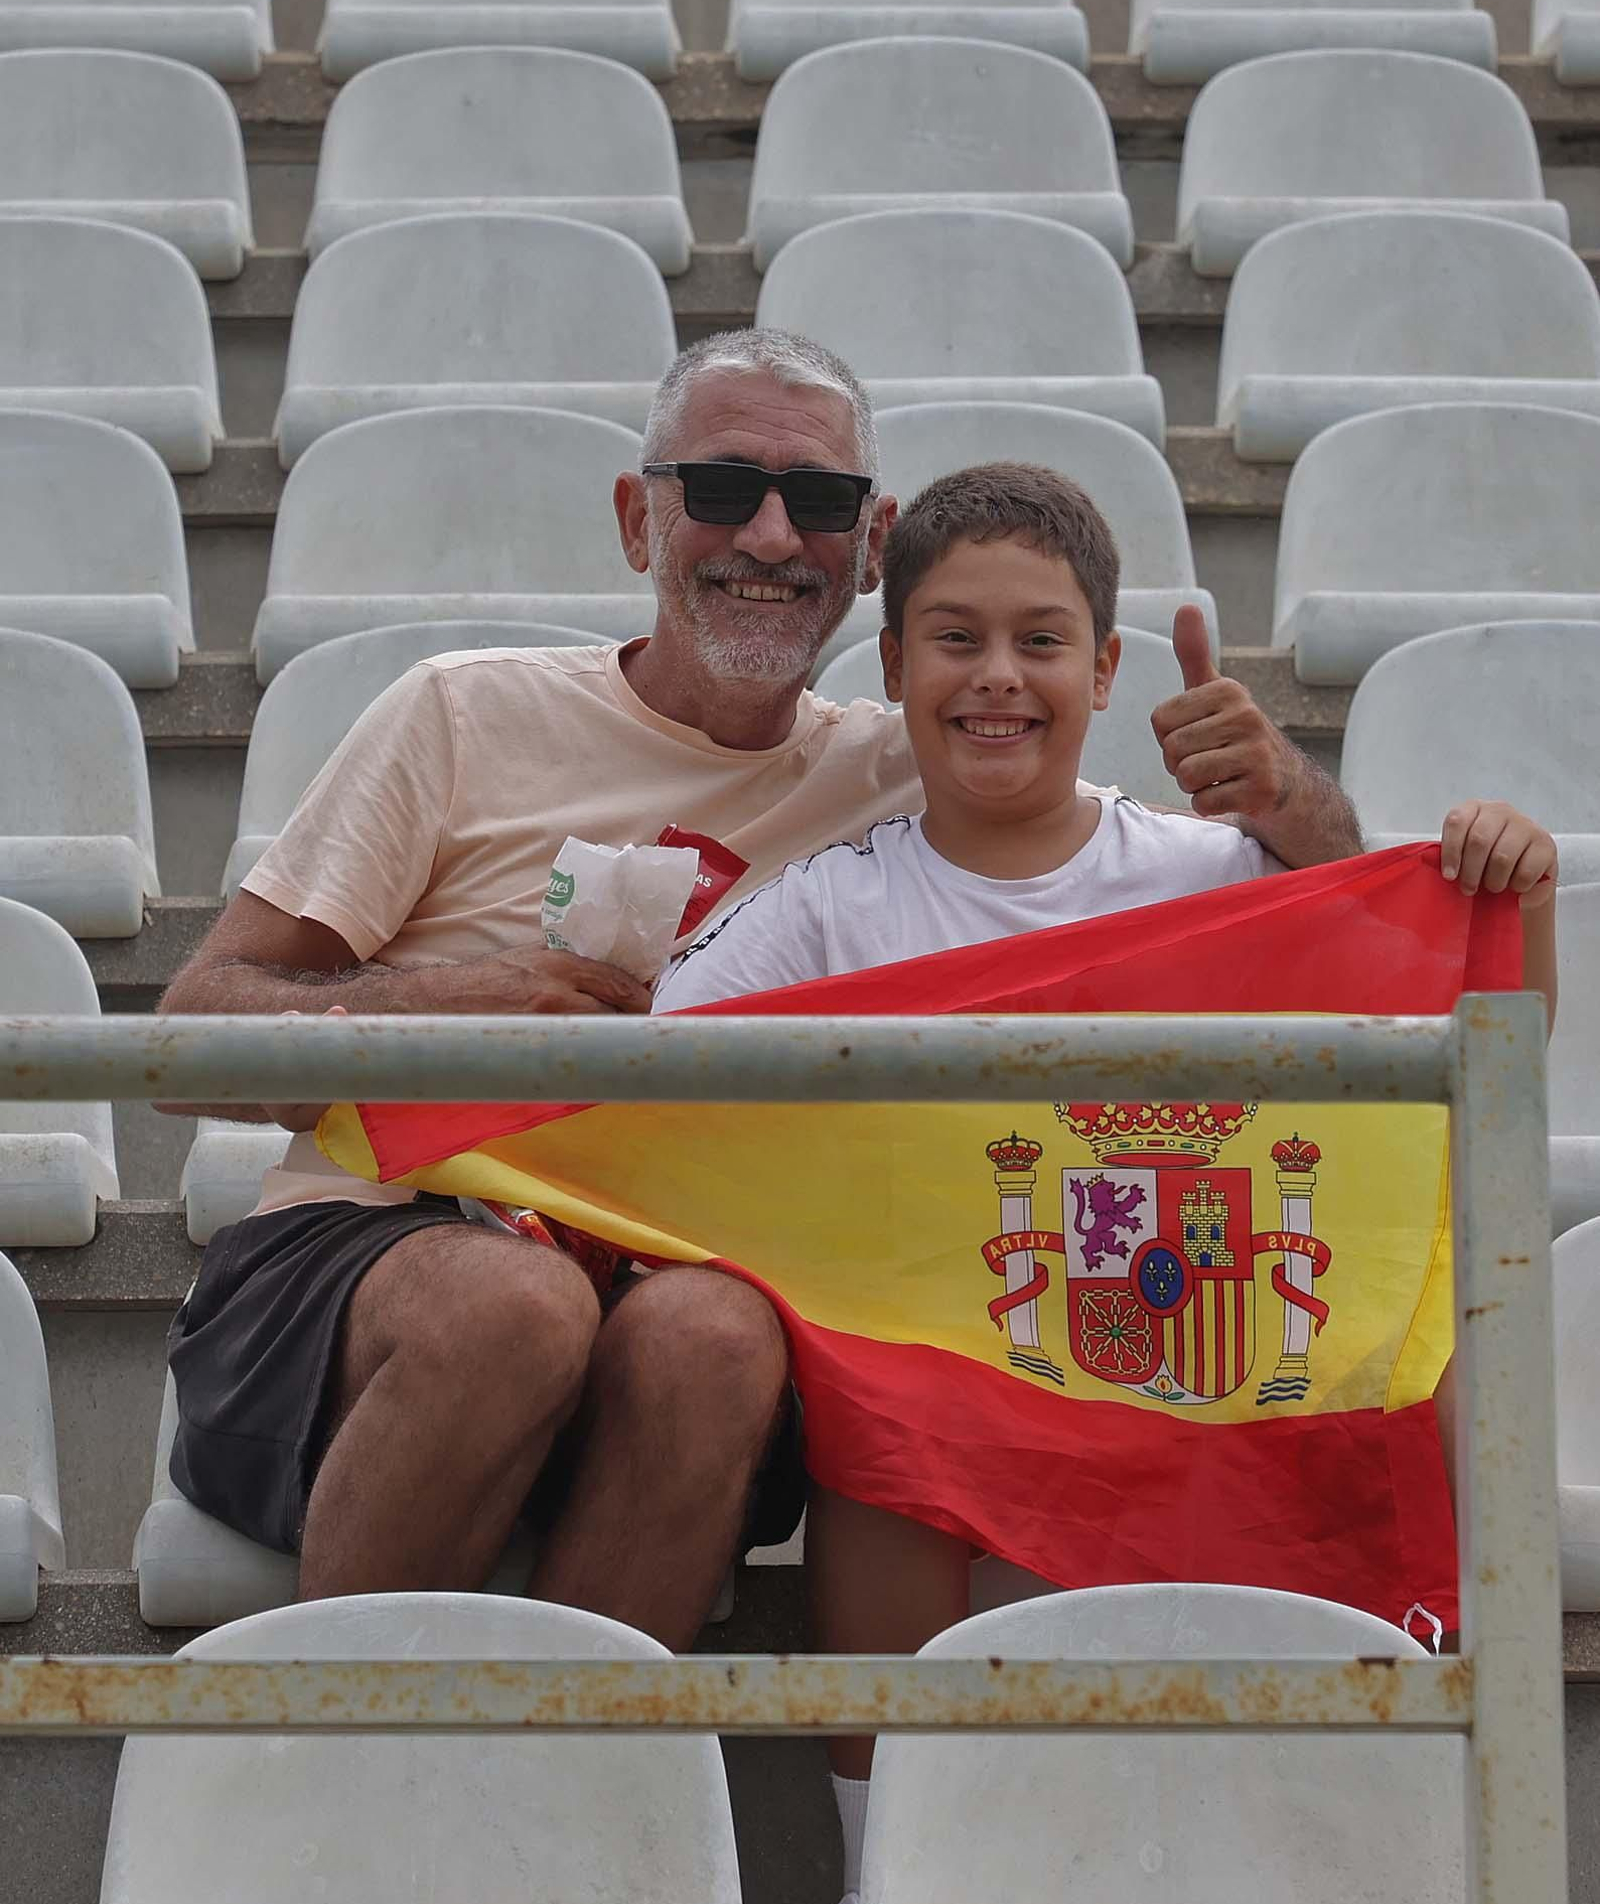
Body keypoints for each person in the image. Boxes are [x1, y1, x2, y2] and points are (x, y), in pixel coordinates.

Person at [157, 330, 1364, 1651]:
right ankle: (348, 1761)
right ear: (640, 519)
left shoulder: (936, 763)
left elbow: (1280, 908)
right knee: (516, 1308)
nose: (774, 537)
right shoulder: (459, 716)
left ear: (872, 542)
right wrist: (447, 1009)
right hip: (374, 1261)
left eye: (821, 500)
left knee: (719, 1333)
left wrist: (1289, 796)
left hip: (685, 1300)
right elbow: (189, 1035)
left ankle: (585, 1769)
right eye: (725, 488)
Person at [652, 460, 1558, 1904]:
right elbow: (639, 1083)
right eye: (955, 639)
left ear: (1108, 670)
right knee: (880, 1420)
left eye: (1041, 640)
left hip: (1199, 1346)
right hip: (977, 1358)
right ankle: (884, 1877)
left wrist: (1506, 886)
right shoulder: (825, 907)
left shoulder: (1219, 869)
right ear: (891, 669)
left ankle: (1413, 1850)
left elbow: (1480, 1034)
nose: (997, 678)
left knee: (1418, 1358)